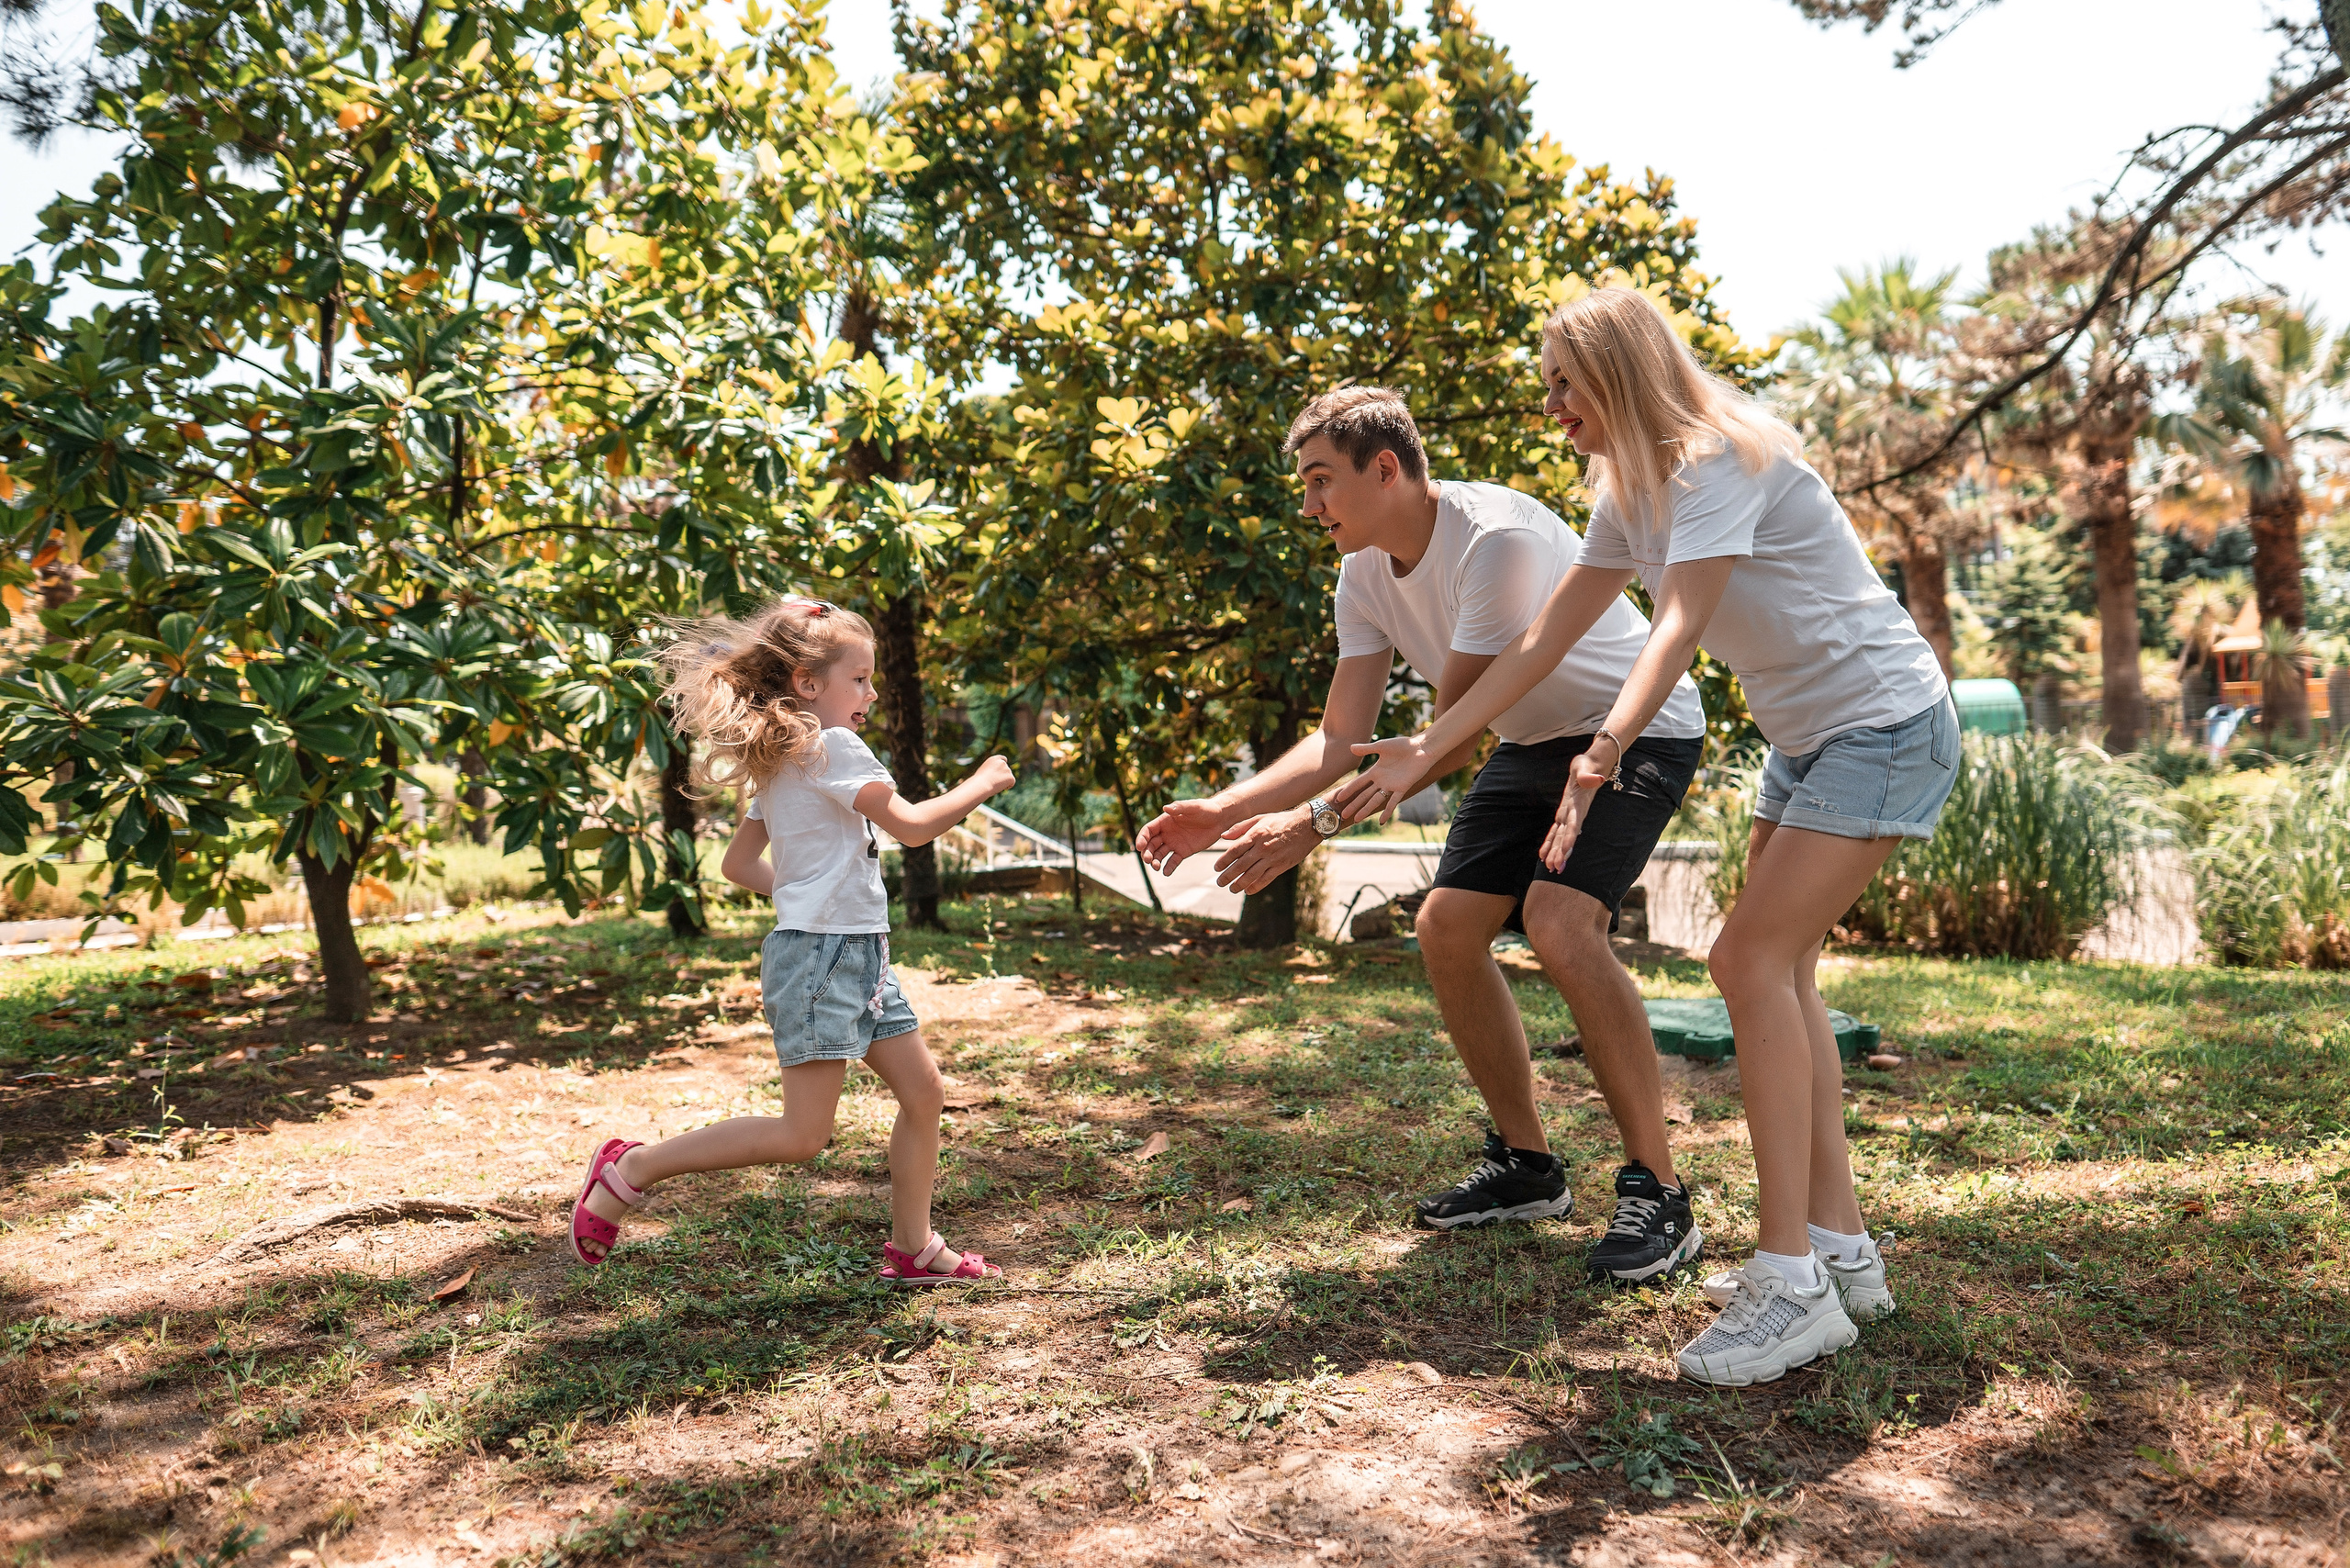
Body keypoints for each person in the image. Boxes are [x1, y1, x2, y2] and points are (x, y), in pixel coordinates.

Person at [1342, 287, 1956, 1386]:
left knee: (1747, 962)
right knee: (1788, 977)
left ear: (1618, 371)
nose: (1553, 407)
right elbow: (1542, 642)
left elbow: (1675, 620)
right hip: (1809, 737)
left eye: (1565, 383)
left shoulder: (1714, 460)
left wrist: (1603, 746)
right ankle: (1838, 1251)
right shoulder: (1628, 488)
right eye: (1547, 387)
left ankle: (1785, 1282)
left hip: (1881, 725)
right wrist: (1429, 746)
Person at [1136, 386, 1712, 1287]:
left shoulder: (1495, 541)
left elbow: (1443, 742)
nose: (1310, 505)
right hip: (1527, 736)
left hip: (1631, 727)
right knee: (1445, 926)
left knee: (1560, 922)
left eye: (1323, 481)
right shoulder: (1362, 571)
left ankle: (1659, 1191)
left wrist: (1315, 823)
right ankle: (1527, 1169)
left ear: (1387, 468)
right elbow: (1340, 738)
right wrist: (1223, 807)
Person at [571, 597, 1017, 1286]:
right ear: (809, 684)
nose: (872, 693)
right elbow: (915, 827)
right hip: (825, 958)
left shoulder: (783, 759)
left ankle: (915, 1246)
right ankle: (631, 1168)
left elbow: (739, 866)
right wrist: (983, 781)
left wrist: (807, 897)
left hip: (850, 953)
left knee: (923, 1093)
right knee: (803, 1135)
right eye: (860, 679)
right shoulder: (834, 746)